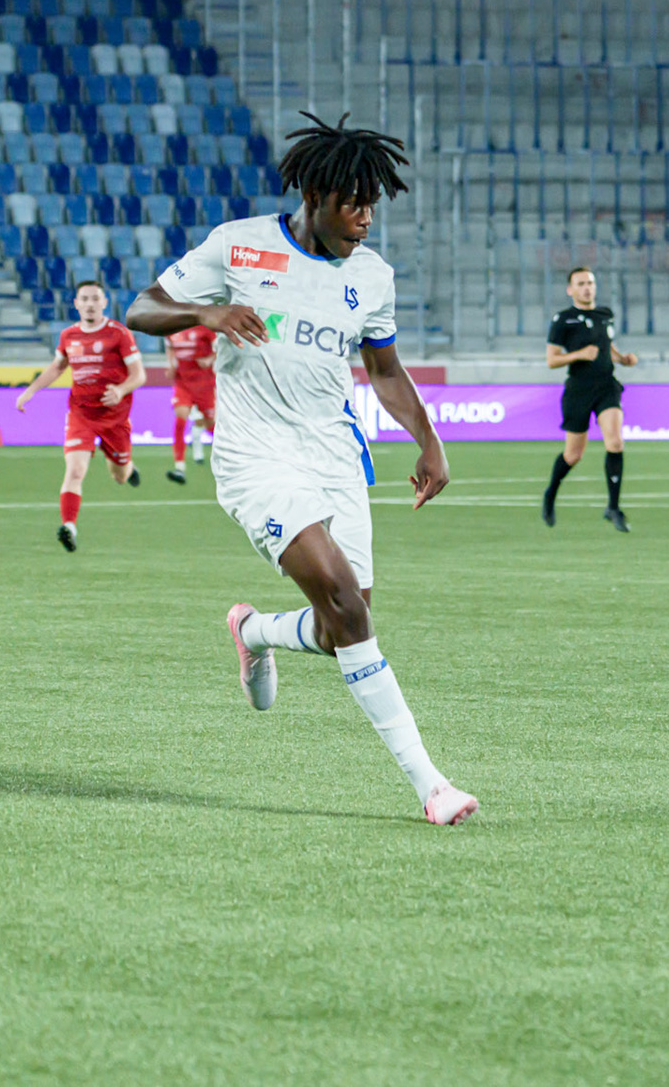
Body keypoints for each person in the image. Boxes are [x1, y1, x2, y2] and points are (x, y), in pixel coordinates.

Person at [125, 112, 478, 827]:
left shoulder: (372, 277)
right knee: (347, 605)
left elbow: (383, 370)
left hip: (335, 457)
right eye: (353, 203)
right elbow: (142, 307)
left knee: (346, 617)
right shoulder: (239, 245)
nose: (365, 218)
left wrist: (429, 440)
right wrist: (210, 314)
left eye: (372, 204)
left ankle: (253, 632)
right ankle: (431, 785)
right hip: (257, 456)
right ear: (314, 196)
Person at [15, 280, 144, 551]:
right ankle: (69, 526)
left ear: (104, 302)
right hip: (80, 414)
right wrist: (30, 391)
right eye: (84, 298)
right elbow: (57, 367)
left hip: (115, 417)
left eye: (95, 298)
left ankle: (129, 469)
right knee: (75, 470)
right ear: (75, 303)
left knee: (119, 475)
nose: (89, 303)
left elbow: (139, 375)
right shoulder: (68, 336)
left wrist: (120, 391)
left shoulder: (119, 334)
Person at [541, 267, 638, 531]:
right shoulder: (563, 319)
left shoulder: (605, 315)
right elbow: (552, 360)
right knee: (573, 455)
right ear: (570, 289)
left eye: (590, 283)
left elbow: (607, 346)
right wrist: (579, 354)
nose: (587, 287)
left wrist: (621, 358)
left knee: (615, 442)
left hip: (607, 386)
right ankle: (550, 493)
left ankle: (613, 508)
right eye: (581, 283)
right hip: (578, 390)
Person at [164, 322, 217, 485]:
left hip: (205, 384)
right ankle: (179, 467)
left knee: (210, 426)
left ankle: (235, 457)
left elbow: (221, 347)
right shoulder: (172, 328)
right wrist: (170, 365)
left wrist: (210, 359)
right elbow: (170, 347)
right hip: (183, 383)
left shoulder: (205, 328)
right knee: (180, 419)